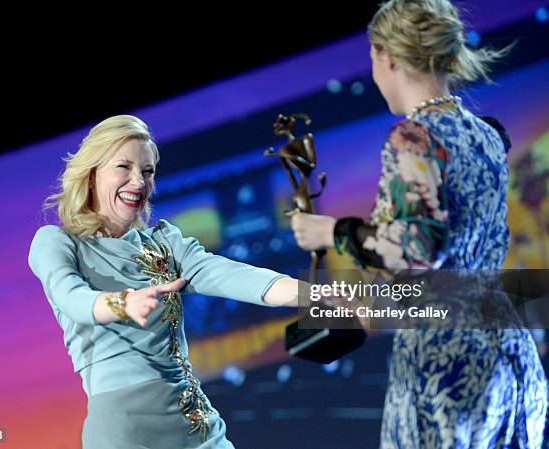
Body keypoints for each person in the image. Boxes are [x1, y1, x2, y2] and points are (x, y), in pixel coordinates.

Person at [289, 0, 548, 447]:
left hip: (448, 361)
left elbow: (417, 251)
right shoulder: (487, 134)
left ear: (387, 57)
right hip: (511, 350)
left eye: (372, 60)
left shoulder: (412, 136)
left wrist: (330, 232)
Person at [28, 115, 301, 449]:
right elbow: (71, 297)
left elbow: (232, 276)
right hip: (124, 433)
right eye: (123, 168)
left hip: (193, 422)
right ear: (92, 173)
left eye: (147, 171)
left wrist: (317, 293)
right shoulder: (57, 242)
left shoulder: (165, 242)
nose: (138, 182)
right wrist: (122, 303)